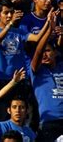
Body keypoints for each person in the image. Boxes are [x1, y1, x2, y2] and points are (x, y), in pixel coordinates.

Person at [30, 9, 63, 140]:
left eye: (48, 51)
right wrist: (49, 29)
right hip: (49, 123)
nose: (44, 54)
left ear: (55, 53)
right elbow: (38, 52)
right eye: (43, 51)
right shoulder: (36, 71)